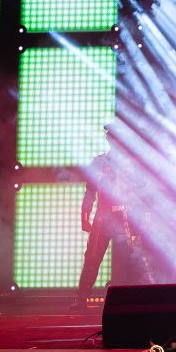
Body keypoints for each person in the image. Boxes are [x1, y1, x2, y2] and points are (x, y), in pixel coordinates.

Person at [72, 123, 153, 310]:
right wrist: (85, 215)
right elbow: (90, 190)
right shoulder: (99, 162)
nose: (108, 138)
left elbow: (143, 192)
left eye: (112, 136)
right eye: (108, 135)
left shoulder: (132, 164)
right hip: (104, 215)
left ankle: (138, 298)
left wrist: (143, 219)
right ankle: (81, 298)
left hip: (126, 216)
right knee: (92, 257)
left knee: (132, 257)